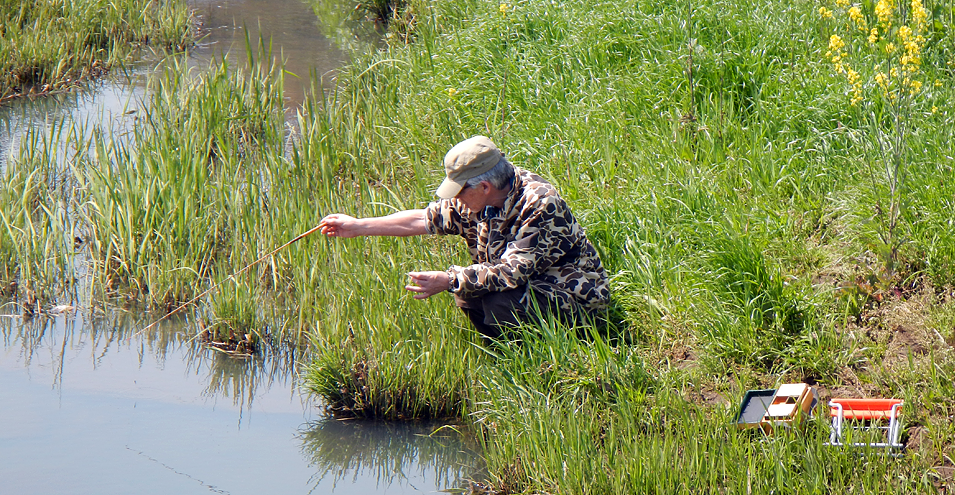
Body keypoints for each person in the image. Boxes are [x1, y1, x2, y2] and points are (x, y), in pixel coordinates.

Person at [318, 135, 610, 339]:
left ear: (483, 186)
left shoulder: (541, 206)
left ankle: (542, 354)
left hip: (575, 297)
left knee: (498, 304)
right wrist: (357, 226)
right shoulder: (478, 197)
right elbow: (423, 218)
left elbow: (510, 273)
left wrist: (449, 279)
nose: (455, 199)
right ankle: (505, 353)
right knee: (468, 296)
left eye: (459, 191)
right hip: (527, 285)